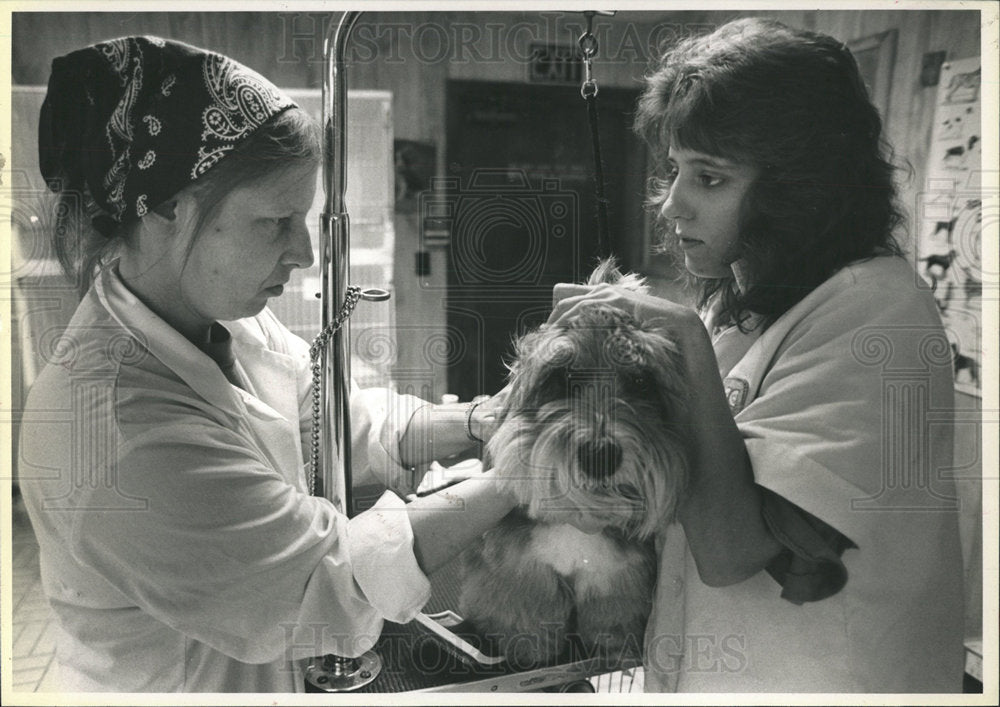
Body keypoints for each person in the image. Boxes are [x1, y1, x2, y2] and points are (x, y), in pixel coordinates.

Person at [18, 36, 510, 693]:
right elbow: (327, 581)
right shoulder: (119, 433)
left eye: (304, 218)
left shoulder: (226, 314)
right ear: (166, 211)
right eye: (276, 222)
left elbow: (335, 424)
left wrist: (480, 419)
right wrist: (520, 478)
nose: (305, 253)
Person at [549, 18, 964, 692]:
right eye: (676, 170)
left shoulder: (876, 312)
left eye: (709, 179)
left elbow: (735, 549)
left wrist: (682, 341)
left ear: (798, 190)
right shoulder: (746, 302)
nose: (673, 204)